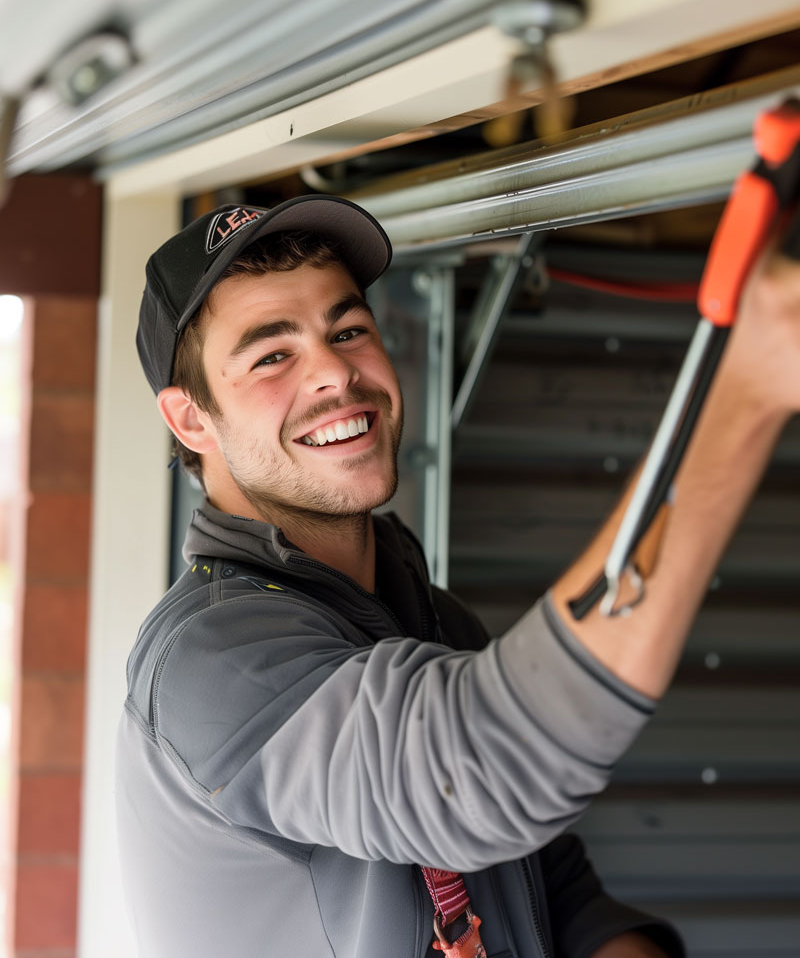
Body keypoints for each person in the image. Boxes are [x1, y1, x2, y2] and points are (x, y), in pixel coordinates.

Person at [119, 195, 800, 957]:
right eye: (273, 355)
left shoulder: (432, 621)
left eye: (348, 330)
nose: (337, 373)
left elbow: (548, 891)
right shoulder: (207, 660)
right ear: (190, 420)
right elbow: (478, 775)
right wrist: (743, 395)